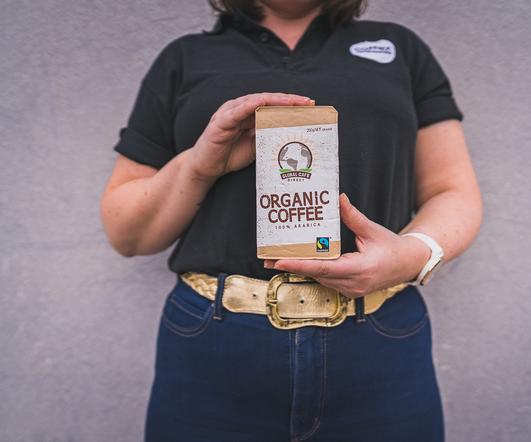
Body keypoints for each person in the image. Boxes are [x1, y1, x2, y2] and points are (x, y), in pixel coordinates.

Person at [100, 0, 483, 440]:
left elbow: (452, 191)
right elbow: (127, 234)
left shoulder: (401, 48)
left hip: (380, 339)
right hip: (215, 344)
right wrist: (199, 165)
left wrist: (412, 256)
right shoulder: (184, 57)